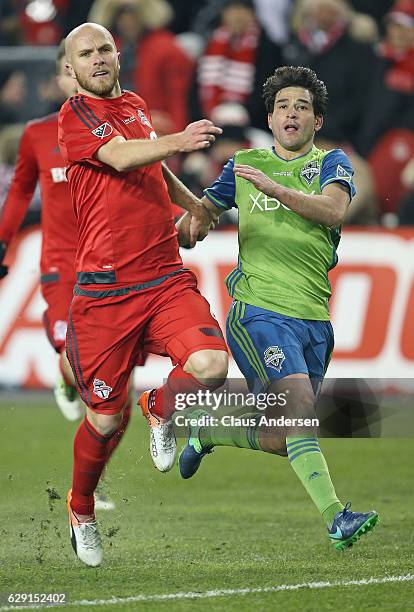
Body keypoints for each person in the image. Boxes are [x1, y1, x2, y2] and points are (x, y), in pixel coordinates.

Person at [178, 66, 379, 550]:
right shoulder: (243, 164)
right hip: (258, 311)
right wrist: (188, 219)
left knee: (281, 434)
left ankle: (209, 431)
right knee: (300, 410)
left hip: (313, 319)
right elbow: (199, 215)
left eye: (303, 107)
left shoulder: (334, 164)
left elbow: (333, 211)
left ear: (317, 120)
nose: (293, 113)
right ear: (270, 118)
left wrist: (276, 192)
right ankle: (336, 518)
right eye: (284, 106)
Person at [59, 22, 228, 567]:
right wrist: (179, 140)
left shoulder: (133, 102)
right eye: (86, 54)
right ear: (72, 69)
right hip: (106, 293)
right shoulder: (75, 118)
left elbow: (150, 164)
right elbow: (121, 157)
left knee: (210, 366)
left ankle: (161, 406)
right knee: (105, 420)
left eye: (105, 48)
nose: (99, 58)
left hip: (161, 277)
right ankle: (81, 506)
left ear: (117, 52)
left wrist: (192, 206)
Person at [0, 42, 84, 421]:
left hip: (115, 260)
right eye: (68, 69)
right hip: (61, 260)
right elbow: (19, 192)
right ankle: (66, 376)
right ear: (58, 81)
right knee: (69, 345)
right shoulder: (37, 135)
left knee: (106, 360)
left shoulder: (122, 128)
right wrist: (2, 243)